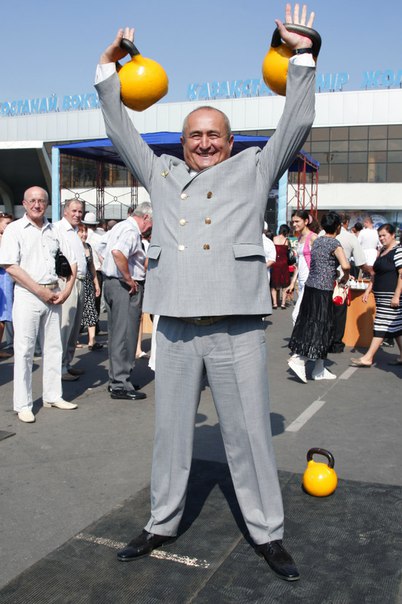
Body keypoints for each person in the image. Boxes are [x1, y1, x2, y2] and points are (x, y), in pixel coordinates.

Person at [96, 3, 316, 581]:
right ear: (183, 142)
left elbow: (296, 123)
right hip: (174, 327)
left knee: (250, 439)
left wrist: (301, 57)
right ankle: (161, 522)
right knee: (170, 437)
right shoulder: (162, 173)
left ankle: (267, 533)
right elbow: (120, 129)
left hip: (236, 328)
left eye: (214, 134)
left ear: (230, 140)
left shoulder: (255, 168)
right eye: (195, 135)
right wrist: (107, 69)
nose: (204, 142)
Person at [0, 187, 78, 423]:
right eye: (32, 201)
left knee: (54, 347)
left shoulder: (55, 230)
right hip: (28, 295)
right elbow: (10, 266)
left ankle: (53, 396)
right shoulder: (14, 230)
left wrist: (66, 290)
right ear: (24, 204)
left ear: (47, 204)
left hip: (53, 294)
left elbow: (72, 261)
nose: (37, 205)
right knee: (24, 350)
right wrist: (39, 290)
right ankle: (23, 404)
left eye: (41, 201)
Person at [288, 212, 350, 383]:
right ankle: (299, 359)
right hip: (323, 290)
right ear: (338, 227)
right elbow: (345, 265)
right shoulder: (335, 244)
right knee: (321, 326)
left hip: (310, 287)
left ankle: (319, 368)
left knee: (311, 323)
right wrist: (345, 276)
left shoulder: (317, 241)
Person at [101, 202, 152, 400]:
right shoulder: (130, 230)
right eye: (152, 222)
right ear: (146, 217)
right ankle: (120, 383)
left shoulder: (120, 226)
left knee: (117, 334)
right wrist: (128, 278)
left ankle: (118, 379)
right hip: (124, 287)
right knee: (125, 335)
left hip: (112, 283)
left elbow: (103, 247)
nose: (151, 227)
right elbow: (117, 252)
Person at [351, 223, 402, 367]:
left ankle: (368, 358)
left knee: (380, 325)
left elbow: (401, 275)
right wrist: (368, 289)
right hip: (381, 296)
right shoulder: (382, 251)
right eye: (379, 236)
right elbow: (375, 273)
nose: (381, 238)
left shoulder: (398, 251)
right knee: (396, 327)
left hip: (391, 295)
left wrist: (396, 295)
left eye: (384, 235)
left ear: (393, 235)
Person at [55, 199, 87, 381]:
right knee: (65, 326)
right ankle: (59, 368)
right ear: (65, 211)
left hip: (80, 281)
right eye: (74, 211)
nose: (77, 214)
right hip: (67, 281)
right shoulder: (58, 229)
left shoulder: (75, 231)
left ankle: (67, 363)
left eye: (80, 211)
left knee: (74, 328)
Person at [330, 213, 370, 353]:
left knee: (325, 311)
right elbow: (360, 262)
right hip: (341, 278)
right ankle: (336, 343)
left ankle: (325, 339)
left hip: (323, 279)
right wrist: (371, 271)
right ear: (345, 223)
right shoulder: (350, 237)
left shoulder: (321, 235)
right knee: (339, 312)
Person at [286, 210, 318, 324]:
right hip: (301, 281)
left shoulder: (313, 237)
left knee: (296, 315)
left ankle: (298, 336)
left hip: (310, 281)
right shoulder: (299, 238)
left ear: (306, 221)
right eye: (293, 222)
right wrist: (292, 282)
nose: (294, 224)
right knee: (307, 315)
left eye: (297, 221)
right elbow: (299, 264)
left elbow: (320, 260)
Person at [77, 223, 102, 350]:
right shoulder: (73, 246)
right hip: (76, 281)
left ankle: (92, 340)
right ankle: (74, 339)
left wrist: (96, 283)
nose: (84, 234)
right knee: (76, 311)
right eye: (81, 231)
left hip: (88, 282)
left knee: (91, 308)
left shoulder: (88, 247)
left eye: (85, 231)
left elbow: (91, 266)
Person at [82, 212, 104, 331]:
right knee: (95, 299)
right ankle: (95, 324)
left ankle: (80, 325)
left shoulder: (79, 235)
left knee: (82, 299)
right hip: (97, 271)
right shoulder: (100, 237)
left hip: (82, 271)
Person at [0, 212, 14, 358]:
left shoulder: (9, 239)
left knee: (3, 317)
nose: (9, 226)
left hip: (7, 280)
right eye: (6, 223)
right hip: (2, 279)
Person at [270, 224, 291, 309]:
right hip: (284, 264)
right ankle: (283, 304)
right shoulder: (286, 240)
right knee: (285, 285)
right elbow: (288, 252)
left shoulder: (274, 239)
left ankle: (275, 303)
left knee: (273, 284)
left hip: (275, 263)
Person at [262, 222, 276, 289]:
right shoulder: (269, 242)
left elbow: (272, 260)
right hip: (265, 274)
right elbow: (272, 260)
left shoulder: (268, 242)